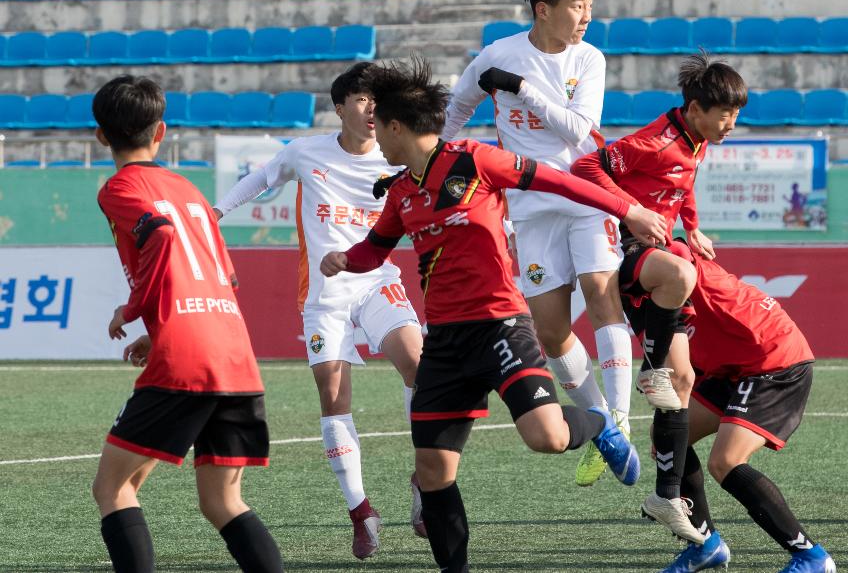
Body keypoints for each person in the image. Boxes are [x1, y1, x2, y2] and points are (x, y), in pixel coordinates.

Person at [318, 57, 667, 573]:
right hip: (444, 344)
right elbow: (377, 248)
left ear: (396, 127)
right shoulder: (401, 190)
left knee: (546, 438)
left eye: (381, 130)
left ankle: (598, 425)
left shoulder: (475, 161)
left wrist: (627, 209)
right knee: (433, 472)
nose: (379, 144)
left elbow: (561, 182)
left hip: (501, 325)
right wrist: (347, 259)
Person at [213, 62, 421, 559]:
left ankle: (425, 481)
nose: (372, 109)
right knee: (333, 396)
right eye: (363, 99)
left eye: (378, 100)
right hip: (324, 295)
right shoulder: (306, 152)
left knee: (420, 366)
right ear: (340, 107)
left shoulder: (398, 157)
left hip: (377, 282)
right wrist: (216, 213)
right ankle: (361, 511)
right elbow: (261, 179)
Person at [440, 0, 633, 487]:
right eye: (578, 5)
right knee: (550, 331)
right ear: (543, 9)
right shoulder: (496, 55)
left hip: (584, 191)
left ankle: (621, 417)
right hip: (527, 204)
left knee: (600, 289)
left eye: (590, 6)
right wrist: (446, 153)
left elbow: (577, 132)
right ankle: (603, 431)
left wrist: (522, 89)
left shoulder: (588, 59)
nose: (586, 16)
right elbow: (454, 111)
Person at [90, 76, 283, 573]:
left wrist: (131, 310)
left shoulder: (119, 187)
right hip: (233, 351)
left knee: (113, 487)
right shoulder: (189, 189)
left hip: (187, 359)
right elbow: (226, 276)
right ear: (162, 132)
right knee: (222, 503)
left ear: (99, 136)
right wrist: (157, 329)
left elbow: (159, 236)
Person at [572, 51, 747, 544]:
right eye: (724, 114)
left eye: (736, 114)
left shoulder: (696, 141)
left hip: (658, 245)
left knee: (685, 379)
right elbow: (588, 165)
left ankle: (666, 495)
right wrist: (629, 211)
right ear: (694, 109)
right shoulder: (655, 140)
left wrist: (692, 226)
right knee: (678, 276)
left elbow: (683, 185)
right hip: (623, 247)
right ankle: (647, 374)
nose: (731, 124)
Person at [631, 243, 835, 573]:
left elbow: (679, 251)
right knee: (664, 436)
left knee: (725, 461)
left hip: (774, 359)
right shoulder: (642, 293)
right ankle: (705, 545)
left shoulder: (672, 262)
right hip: (731, 367)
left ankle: (811, 557)